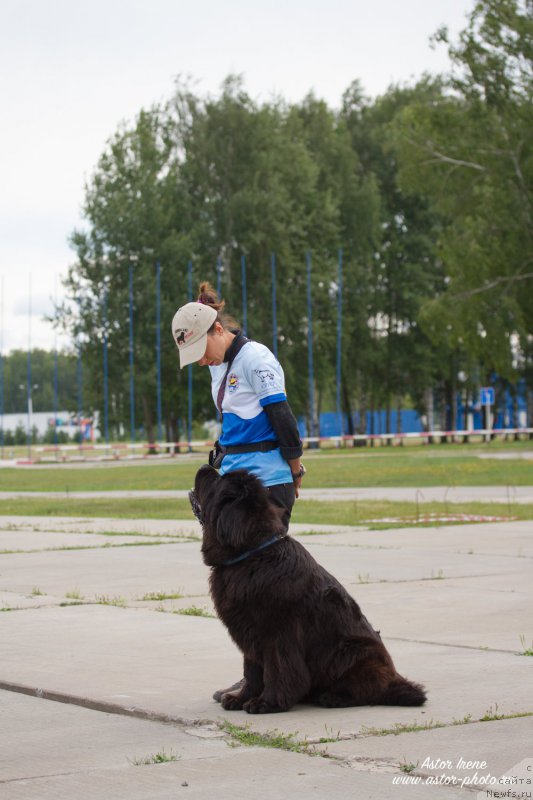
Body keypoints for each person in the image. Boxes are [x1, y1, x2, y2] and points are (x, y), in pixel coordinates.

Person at [171, 281, 305, 702]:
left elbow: (281, 415)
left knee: (264, 588)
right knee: (243, 586)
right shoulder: (218, 365)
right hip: (237, 484)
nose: (199, 362)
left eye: (200, 351)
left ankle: (265, 679)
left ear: (215, 330)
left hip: (267, 485)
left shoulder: (256, 358)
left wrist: (296, 467)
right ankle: (256, 675)